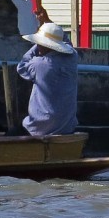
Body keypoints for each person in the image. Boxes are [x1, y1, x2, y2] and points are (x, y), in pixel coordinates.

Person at [16, 8, 79, 136]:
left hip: (39, 128)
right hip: (66, 126)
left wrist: (37, 42)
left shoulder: (39, 64)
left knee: (12, 132)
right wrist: (47, 22)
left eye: (39, 43)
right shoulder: (72, 58)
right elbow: (65, 42)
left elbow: (21, 66)